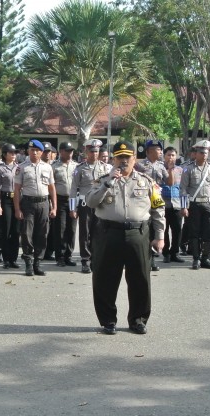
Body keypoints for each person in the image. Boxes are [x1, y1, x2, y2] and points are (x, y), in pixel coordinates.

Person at [86, 140, 165, 335]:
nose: (123, 161)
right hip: (108, 233)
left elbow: (158, 208)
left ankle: (138, 320)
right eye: (119, 157)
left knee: (140, 279)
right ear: (113, 159)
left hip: (138, 233)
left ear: (134, 158)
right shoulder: (102, 180)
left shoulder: (146, 181)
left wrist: (160, 236)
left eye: (127, 157)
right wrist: (107, 183)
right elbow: (90, 202)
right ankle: (107, 320)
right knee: (105, 279)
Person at [14, 140, 57, 276]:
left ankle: (37, 262)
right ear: (28, 151)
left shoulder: (47, 167)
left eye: (37, 150)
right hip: (28, 203)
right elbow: (16, 190)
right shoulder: (21, 167)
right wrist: (17, 209)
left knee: (42, 234)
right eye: (32, 150)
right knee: (27, 234)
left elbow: (51, 188)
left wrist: (54, 207)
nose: (34, 152)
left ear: (41, 152)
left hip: (44, 203)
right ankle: (28, 262)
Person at [70, 139, 111, 274]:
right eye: (91, 151)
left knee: (99, 232)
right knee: (85, 232)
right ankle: (85, 260)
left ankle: (96, 258)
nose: (94, 154)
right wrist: (72, 208)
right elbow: (73, 188)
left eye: (96, 151)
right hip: (85, 203)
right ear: (86, 152)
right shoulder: (80, 169)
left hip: (100, 204)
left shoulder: (105, 168)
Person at [180, 139, 210, 270]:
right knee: (194, 233)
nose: (204, 155)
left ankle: (205, 258)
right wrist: (184, 207)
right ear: (195, 154)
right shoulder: (188, 169)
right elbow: (183, 189)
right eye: (201, 152)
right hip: (194, 205)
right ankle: (196, 259)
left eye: (206, 152)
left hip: (208, 204)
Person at [136, 139, 167, 271]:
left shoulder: (161, 165)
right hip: (143, 201)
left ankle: (152, 259)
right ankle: (143, 258)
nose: (160, 151)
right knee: (144, 229)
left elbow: (169, 181)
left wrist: (170, 169)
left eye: (160, 149)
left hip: (157, 200)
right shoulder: (139, 165)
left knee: (155, 229)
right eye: (157, 149)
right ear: (149, 151)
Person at [0, 143, 21, 269]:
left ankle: (13, 259)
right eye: (11, 153)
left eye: (15, 153)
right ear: (5, 154)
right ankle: (6, 259)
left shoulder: (19, 168)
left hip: (17, 200)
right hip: (6, 200)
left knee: (16, 231)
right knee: (6, 230)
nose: (14, 155)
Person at [51, 141, 78, 267]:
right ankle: (60, 256)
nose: (70, 153)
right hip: (60, 199)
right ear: (61, 151)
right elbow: (51, 186)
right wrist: (53, 204)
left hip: (72, 199)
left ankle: (69, 255)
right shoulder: (54, 166)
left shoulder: (76, 166)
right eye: (67, 151)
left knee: (71, 229)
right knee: (60, 229)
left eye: (71, 151)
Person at [161, 146, 184, 263]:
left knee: (177, 230)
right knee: (164, 230)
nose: (171, 157)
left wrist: (185, 205)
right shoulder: (160, 169)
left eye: (173, 155)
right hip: (163, 204)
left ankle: (175, 252)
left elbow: (183, 189)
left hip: (176, 204)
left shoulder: (180, 170)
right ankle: (166, 253)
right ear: (164, 156)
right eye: (168, 155)